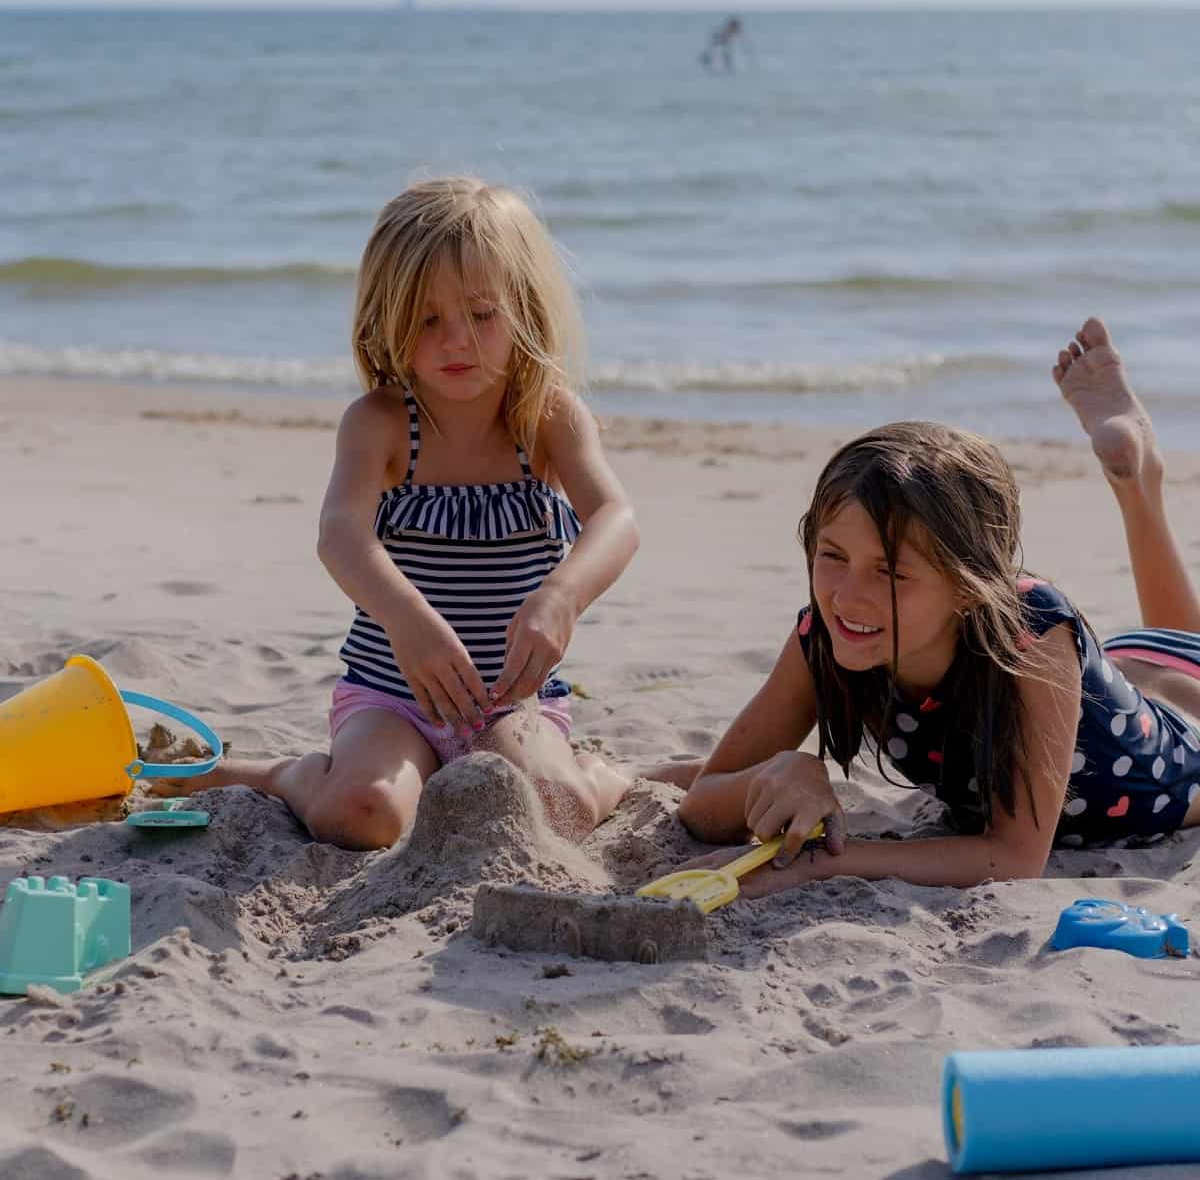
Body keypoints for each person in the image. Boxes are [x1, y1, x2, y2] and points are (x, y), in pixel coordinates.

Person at [159, 178, 638, 849]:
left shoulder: (548, 419)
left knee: (556, 812)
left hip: (511, 701)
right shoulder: (381, 425)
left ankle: (601, 774)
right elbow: (340, 533)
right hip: (391, 700)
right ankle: (292, 774)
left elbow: (616, 517)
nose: (456, 341)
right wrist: (406, 618)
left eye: (481, 313)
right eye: (427, 320)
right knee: (365, 814)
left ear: (524, 306)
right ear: (388, 318)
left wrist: (563, 594)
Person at [677, 318, 1200, 893]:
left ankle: (1138, 480)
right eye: (832, 555)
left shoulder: (1033, 631)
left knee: (1180, 652)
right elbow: (703, 801)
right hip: (1125, 681)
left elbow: (1013, 857)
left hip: (1179, 726)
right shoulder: (825, 634)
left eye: (892, 572)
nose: (848, 595)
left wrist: (825, 862)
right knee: (1160, 658)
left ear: (971, 586)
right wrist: (783, 772)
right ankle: (1137, 473)